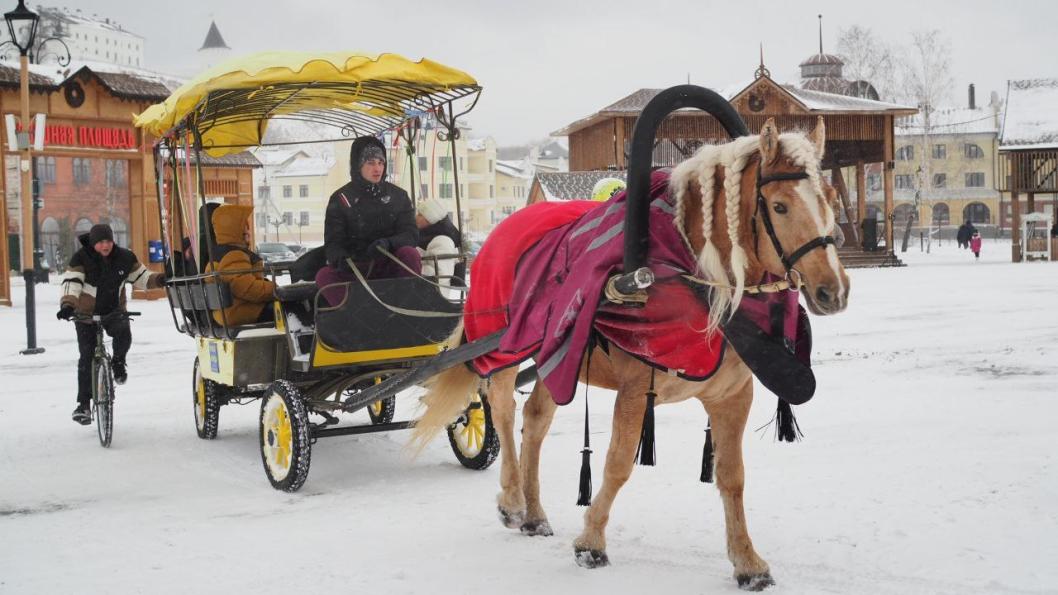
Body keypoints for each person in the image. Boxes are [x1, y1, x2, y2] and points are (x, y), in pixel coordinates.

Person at [57, 223, 165, 425]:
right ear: (93, 243)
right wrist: (67, 306)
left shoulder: (125, 257)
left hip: (113, 311)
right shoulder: (81, 258)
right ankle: (83, 405)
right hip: (85, 315)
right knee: (87, 356)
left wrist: (160, 279)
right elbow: (72, 283)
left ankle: (117, 362)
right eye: (100, 242)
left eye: (108, 241)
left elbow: (142, 277)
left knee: (124, 333)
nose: (105, 245)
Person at [316, 135, 420, 305]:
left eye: (381, 162)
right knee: (324, 276)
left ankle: (408, 305)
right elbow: (333, 243)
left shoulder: (398, 196)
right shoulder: (341, 199)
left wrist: (388, 243)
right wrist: (342, 259)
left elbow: (411, 235)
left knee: (410, 254)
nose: (377, 168)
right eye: (370, 163)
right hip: (356, 268)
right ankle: (356, 312)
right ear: (358, 166)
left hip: (390, 266)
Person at [206, 204, 276, 325]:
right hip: (239, 311)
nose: (249, 232)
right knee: (293, 308)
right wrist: (275, 289)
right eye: (246, 228)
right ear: (236, 229)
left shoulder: (220, 253)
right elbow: (246, 288)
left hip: (229, 311)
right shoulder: (234, 255)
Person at [416, 198, 464, 294]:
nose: (416, 217)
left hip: (434, 295)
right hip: (429, 293)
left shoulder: (442, 240)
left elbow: (441, 274)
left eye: (420, 215)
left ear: (430, 219)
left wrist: (414, 268)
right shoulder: (428, 237)